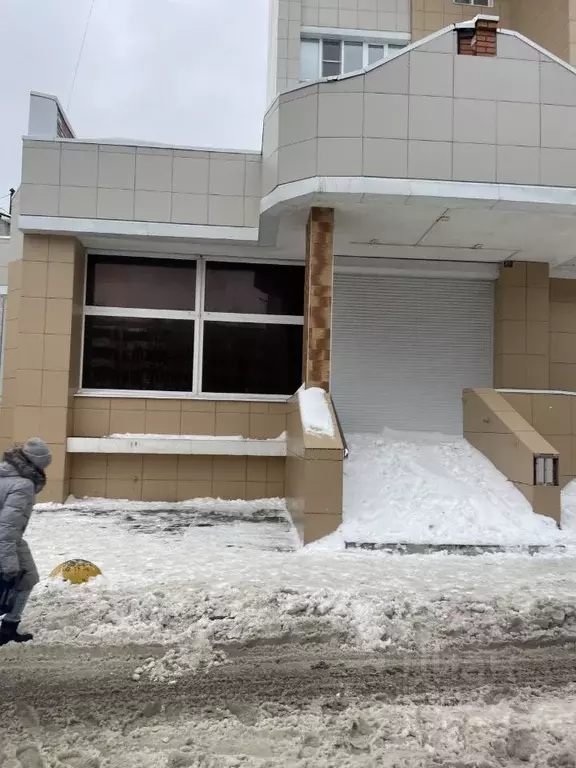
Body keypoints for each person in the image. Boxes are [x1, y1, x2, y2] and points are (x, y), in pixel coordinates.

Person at [0, 438, 52, 645]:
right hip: (6, 540)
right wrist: (9, 564)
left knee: (28, 576)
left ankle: (9, 627)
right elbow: (7, 528)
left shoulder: (6, 473)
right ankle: (7, 630)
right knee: (19, 577)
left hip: (10, 539)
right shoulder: (23, 484)